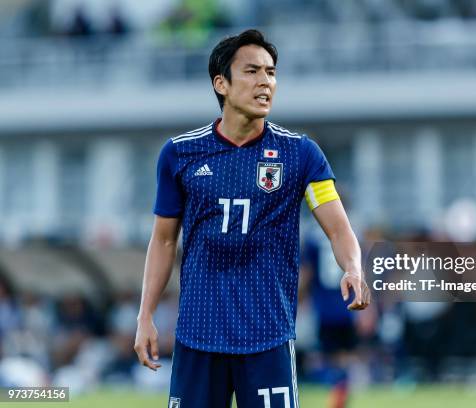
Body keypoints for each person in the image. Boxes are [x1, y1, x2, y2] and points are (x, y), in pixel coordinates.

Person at [134, 29, 370, 408]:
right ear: (221, 83)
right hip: (198, 335)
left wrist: (354, 268)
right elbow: (163, 240)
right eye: (253, 71)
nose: (266, 82)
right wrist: (145, 315)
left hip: (268, 337)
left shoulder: (301, 155)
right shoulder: (180, 154)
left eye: (271, 73)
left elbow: (339, 228)